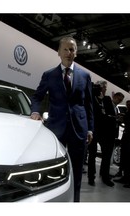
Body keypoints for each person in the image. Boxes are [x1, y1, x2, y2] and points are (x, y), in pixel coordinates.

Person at [30, 36, 94, 202]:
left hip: (79, 130)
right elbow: (37, 97)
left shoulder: (85, 76)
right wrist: (35, 112)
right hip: (55, 129)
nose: (68, 52)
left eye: (72, 49)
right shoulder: (49, 75)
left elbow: (89, 104)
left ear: (76, 53)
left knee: (77, 172)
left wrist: (90, 128)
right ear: (58, 52)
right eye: (65, 49)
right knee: (53, 170)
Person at [99, 92, 124, 187]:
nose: (119, 101)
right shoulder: (108, 103)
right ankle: (105, 177)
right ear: (115, 97)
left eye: (121, 100)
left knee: (106, 156)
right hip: (106, 135)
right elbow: (106, 118)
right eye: (119, 99)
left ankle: (103, 173)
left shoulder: (115, 108)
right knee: (106, 155)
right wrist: (116, 119)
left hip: (110, 135)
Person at [87, 80, 108, 186]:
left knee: (105, 154)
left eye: (105, 88)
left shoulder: (105, 100)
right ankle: (91, 177)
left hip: (103, 132)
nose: (104, 90)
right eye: (103, 88)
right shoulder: (92, 98)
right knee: (92, 155)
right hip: (93, 131)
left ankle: (104, 175)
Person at [114, 100, 130, 188]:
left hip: (128, 138)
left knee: (127, 158)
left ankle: (127, 178)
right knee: (124, 157)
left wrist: (123, 118)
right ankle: (124, 176)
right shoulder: (127, 112)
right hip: (125, 136)